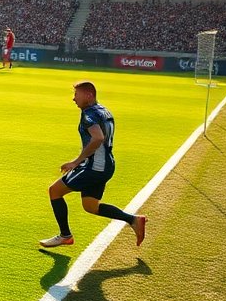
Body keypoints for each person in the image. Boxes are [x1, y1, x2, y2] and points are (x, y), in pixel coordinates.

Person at [39, 81, 146, 248]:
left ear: (89, 95)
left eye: (77, 95)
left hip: (94, 167)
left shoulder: (88, 114)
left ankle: (65, 235)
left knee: (55, 191)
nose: (73, 99)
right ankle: (133, 220)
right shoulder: (104, 111)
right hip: (106, 165)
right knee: (91, 206)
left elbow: (98, 138)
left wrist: (76, 161)